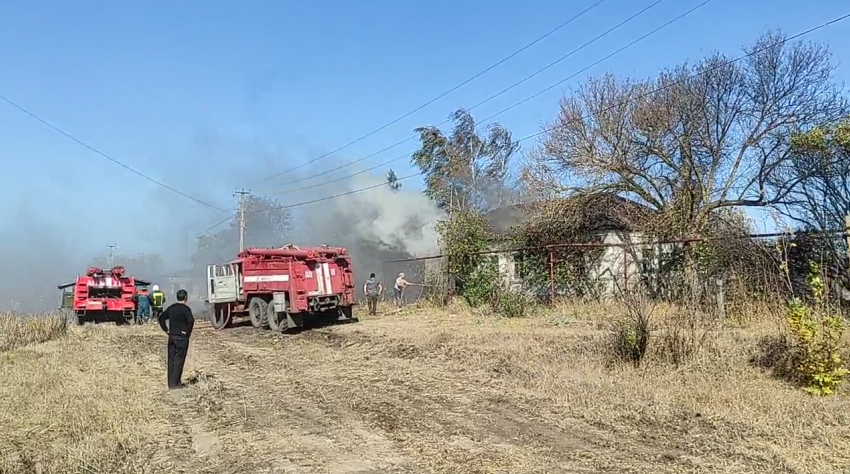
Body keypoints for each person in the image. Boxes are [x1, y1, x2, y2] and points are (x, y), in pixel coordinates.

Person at [157, 289, 195, 390]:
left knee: (171, 360)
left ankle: (170, 383)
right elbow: (191, 320)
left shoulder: (171, 308)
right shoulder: (186, 309)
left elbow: (161, 318)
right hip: (181, 338)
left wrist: (166, 330)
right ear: (186, 297)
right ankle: (175, 384)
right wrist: (187, 333)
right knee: (179, 360)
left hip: (172, 336)